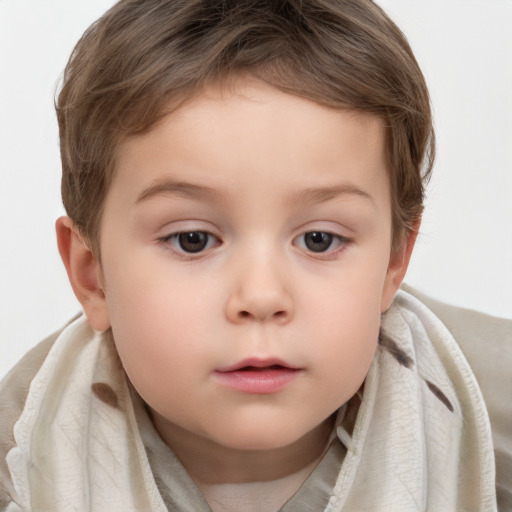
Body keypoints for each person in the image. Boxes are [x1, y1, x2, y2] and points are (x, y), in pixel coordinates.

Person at [0, 1, 510, 510]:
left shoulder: (486, 406)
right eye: (193, 239)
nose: (262, 296)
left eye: (319, 240)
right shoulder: (21, 449)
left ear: (393, 262)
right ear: (94, 277)